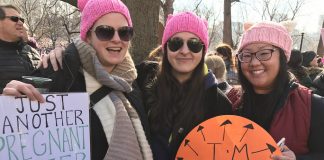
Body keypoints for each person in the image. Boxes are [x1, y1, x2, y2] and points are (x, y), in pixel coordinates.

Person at [3, 0, 153, 159]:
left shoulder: (134, 81)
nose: (116, 39)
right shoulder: (58, 72)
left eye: (124, 32)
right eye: (105, 31)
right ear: (87, 36)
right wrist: (10, 104)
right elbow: (24, 141)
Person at [139, 12, 233, 160]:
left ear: (203, 50)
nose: (184, 51)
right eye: (176, 43)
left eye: (194, 44)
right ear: (165, 47)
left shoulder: (219, 104)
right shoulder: (142, 82)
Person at [235, 21, 324, 159]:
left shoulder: (313, 106)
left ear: (283, 58)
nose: (254, 62)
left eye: (264, 53)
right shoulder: (230, 101)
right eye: (246, 55)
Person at [0, 4, 40, 93]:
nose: (21, 23)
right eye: (14, 19)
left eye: (21, 19)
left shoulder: (33, 52)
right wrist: (3, 96)